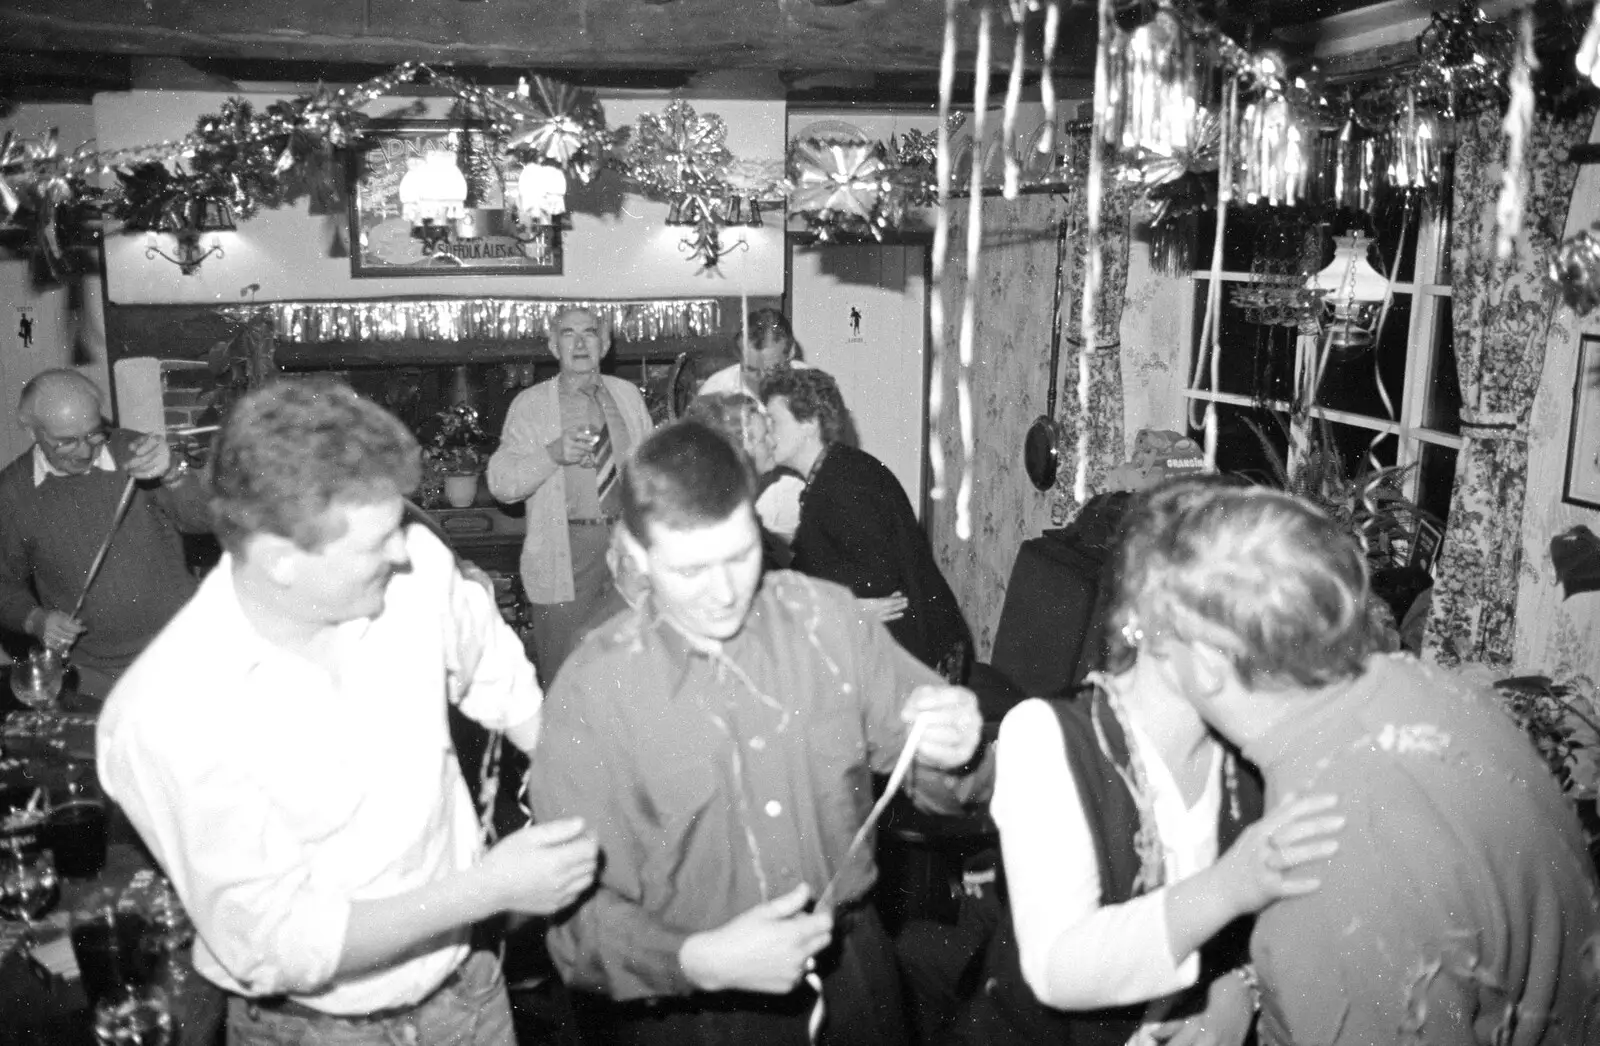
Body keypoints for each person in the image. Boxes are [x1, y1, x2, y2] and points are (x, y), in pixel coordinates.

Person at [98, 379, 601, 1046]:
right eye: (374, 545)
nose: (402, 554)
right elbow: (279, 941)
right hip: (313, 1028)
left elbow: (495, 672)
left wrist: (569, 770)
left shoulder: (411, 563)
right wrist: (491, 889)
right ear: (279, 561)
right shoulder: (166, 713)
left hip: (469, 996)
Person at [525, 421, 992, 1046]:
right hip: (686, 1007)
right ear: (635, 557)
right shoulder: (589, 693)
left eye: (741, 555)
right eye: (690, 570)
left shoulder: (826, 620)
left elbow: (941, 784)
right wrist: (699, 959)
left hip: (852, 972)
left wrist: (956, 754)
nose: (723, 593)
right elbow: (574, 925)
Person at [1113, 479, 1600, 1046]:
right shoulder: (1421, 685)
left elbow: (1360, 919)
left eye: (1148, 637)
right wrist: (1249, 990)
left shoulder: (1328, 871)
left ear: (1207, 664)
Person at [976, 611, 1345, 1045]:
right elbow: (1058, 965)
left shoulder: (1259, 754)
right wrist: (1228, 887)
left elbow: (1296, 924)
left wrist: (1242, 987)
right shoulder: (1047, 733)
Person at [0, 368, 210, 701]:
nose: (85, 451)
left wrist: (172, 472)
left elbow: (203, 521)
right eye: (66, 441)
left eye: (94, 434)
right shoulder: (13, 493)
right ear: (32, 431)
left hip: (181, 653)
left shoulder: (131, 451)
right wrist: (36, 620)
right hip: (96, 678)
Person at [762, 367, 971, 678]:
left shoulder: (841, 484)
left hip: (921, 663)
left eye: (774, 423)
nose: (768, 434)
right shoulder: (835, 471)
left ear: (808, 424)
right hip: (907, 648)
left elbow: (879, 584)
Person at [487, 306, 652, 683]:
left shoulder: (627, 396)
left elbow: (650, 469)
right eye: (568, 334)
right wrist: (551, 455)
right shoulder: (530, 406)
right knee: (565, 675)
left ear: (605, 343)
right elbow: (502, 484)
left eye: (590, 333)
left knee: (628, 671)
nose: (580, 343)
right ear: (552, 344)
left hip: (627, 549)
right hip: (566, 556)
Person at [698, 308, 809, 542]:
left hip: (803, 524)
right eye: (750, 370)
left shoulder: (812, 388)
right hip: (744, 530)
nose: (761, 380)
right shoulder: (715, 391)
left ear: (790, 353)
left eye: (770, 369)